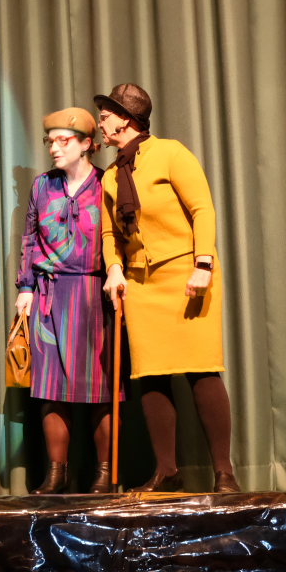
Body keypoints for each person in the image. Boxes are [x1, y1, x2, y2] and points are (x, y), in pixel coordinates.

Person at [96, 83, 240, 493]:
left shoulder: (171, 153)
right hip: (141, 283)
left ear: (126, 119)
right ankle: (167, 471)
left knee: (201, 368)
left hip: (185, 274)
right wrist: (114, 269)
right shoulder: (111, 176)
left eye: (106, 116)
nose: (101, 124)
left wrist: (203, 263)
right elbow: (109, 233)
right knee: (151, 375)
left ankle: (224, 473)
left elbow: (202, 209)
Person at [15, 107, 116, 494]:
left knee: (100, 389)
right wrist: (25, 287)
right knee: (51, 389)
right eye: (50, 141)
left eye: (63, 141)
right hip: (50, 295)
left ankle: (103, 475)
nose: (54, 148)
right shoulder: (42, 186)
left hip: (93, 295)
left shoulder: (106, 184)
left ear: (87, 144)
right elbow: (29, 238)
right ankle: (57, 474)